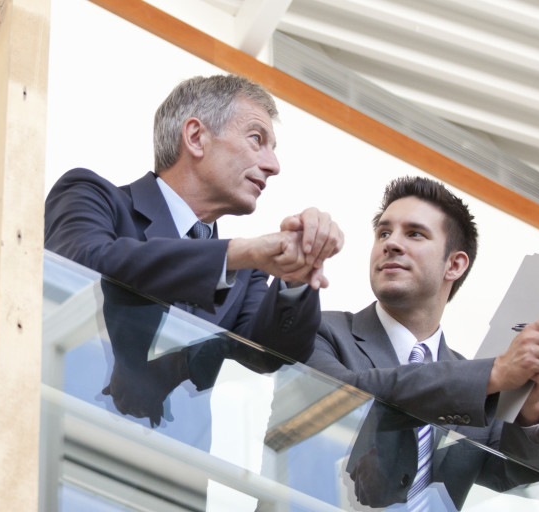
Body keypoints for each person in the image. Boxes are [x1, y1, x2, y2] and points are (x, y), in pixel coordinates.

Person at [44, 74, 344, 425]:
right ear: (196, 137)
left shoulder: (247, 272)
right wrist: (232, 255)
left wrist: (294, 278)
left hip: (179, 468)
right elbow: (82, 266)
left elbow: (269, 355)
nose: (273, 166)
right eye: (257, 139)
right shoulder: (91, 195)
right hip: (66, 435)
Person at [307, 176, 539, 510]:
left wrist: (529, 405)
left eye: (415, 233)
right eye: (384, 233)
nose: (390, 243)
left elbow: (534, 483)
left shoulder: (482, 384)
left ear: (455, 264)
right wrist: (494, 373)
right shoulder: (318, 330)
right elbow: (349, 397)